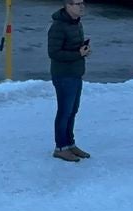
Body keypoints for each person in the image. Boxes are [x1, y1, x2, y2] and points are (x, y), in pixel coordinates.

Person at [48, 0, 92, 162]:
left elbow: (72, 47)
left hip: (75, 73)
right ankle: (60, 147)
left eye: (82, 3)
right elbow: (54, 53)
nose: (81, 6)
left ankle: (69, 144)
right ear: (67, 6)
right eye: (76, 3)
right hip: (64, 76)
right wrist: (78, 54)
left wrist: (83, 50)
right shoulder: (58, 27)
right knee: (64, 112)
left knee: (73, 111)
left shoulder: (76, 23)